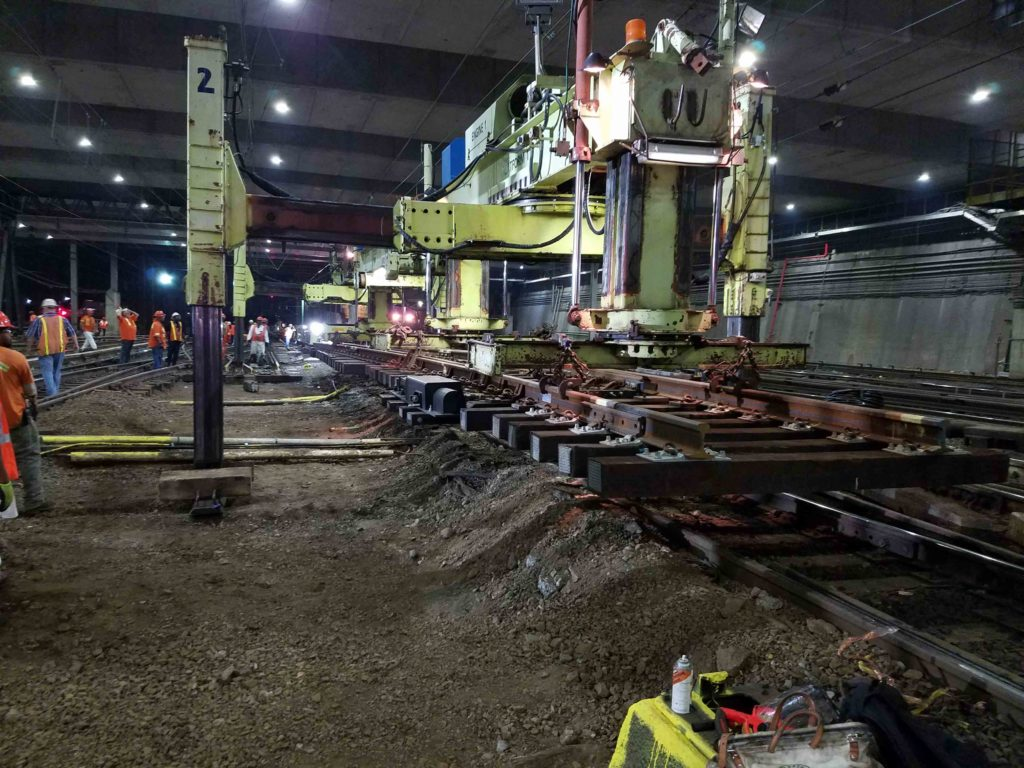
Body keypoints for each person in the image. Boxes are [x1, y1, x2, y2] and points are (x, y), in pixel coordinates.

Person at [0, 311, 44, 514]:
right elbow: (30, 392)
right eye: (7, 330)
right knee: (29, 456)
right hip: (13, 421)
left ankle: (5, 507)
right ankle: (34, 501)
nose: (10, 335)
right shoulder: (15, 358)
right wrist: (33, 407)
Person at [25, 298, 78, 397]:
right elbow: (72, 332)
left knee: (47, 372)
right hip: (60, 349)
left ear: (44, 308)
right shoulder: (62, 319)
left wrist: (29, 349)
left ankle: (52, 395)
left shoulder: (39, 319)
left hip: (45, 350)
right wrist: (76, 344)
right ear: (55, 308)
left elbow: (31, 336)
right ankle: (55, 394)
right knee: (56, 372)